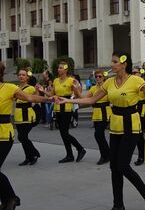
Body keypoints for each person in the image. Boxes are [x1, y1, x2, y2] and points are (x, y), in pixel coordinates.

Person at [57, 51, 145, 210]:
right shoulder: (109, 82)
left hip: (131, 125)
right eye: (112, 61)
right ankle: (118, 205)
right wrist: (68, 100)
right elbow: (91, 99)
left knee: (123, 165)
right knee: (114, 167)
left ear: (124, 64)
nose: (111, 64)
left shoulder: (136, 80)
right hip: (115, 127)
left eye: (115, 61)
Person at [0, 61, 51, 210]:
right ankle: (7, 199)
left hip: (4, 134)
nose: (21, 77)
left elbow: (30, 98)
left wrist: (48, 98)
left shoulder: (9, 88)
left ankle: (11, 198)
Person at [38, 61, 86, 163]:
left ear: (66, 69)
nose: (58, 69)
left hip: (67, 107)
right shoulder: (55, 81)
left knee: (64, 133)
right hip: (57, 107)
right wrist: (43, 90)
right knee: (63, 133)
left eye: (61, 68)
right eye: (58, 68)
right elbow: (51, 94)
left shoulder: (71, 80)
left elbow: (78, 94)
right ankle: (70, 155)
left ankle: (80, 149)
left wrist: (77, 88)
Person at [75, 70, 111, 165]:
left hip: (105, 112)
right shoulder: (93, 88)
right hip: (96, 113)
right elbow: (85, 99)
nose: (98, 78)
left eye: (100, 76)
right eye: (96, 77)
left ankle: (105, 156)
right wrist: (77, 90)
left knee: (98, 134)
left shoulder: (107, 87)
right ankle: (107, 154)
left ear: (104, 77)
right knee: (99, 135)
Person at [15, 69, 41, 166]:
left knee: (22, 137)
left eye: (23, 75)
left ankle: (34, 154)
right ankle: (28, 157)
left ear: (27, 77)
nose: (21, 76)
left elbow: (36, 98)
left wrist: (37, 91)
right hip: (18, 115)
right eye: (20, 75)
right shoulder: (16, 88)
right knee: (22, 138)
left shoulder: (30, 88)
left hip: (27, 114)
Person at [132, 67, 145, 166]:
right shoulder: (131, 83)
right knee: (138, 135)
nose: (133, 74)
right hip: (134, 108)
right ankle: (143, 154)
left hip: (143, 110)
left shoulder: (144, 84)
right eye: (132, 72)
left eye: (135, 72)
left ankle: (142, 155)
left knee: (139, 135)